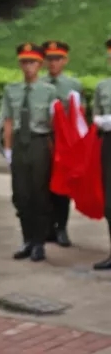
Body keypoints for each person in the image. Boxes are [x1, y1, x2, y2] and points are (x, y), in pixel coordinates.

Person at [0, 43, 58, 262]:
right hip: (19, 144)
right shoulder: (12, 90)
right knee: (20, 194)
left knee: (39, 194)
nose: (28, 66)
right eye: (24, 62)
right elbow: (8, 120)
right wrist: (8, 149)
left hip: (39, 143)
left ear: (40, 65)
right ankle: (27, 239)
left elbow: (56, 123)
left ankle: (39, 242)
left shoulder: (49, 91)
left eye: (32, 62)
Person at [40, 40, 83, 247]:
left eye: (57, 59)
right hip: (43, 139)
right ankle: (47, 228)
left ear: (65, 60)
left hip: (64, 142)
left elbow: (79, 114)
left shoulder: (73, 85)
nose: (53, 63)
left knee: (63, 186)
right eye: (49, 58)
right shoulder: (39, 83)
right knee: (43, 184)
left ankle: (61, 228)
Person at [90, 37, 111, 270]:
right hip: (109, 144)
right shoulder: (103, 87)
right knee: (110, 203)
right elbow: (95, 114)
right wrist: (100, 121)